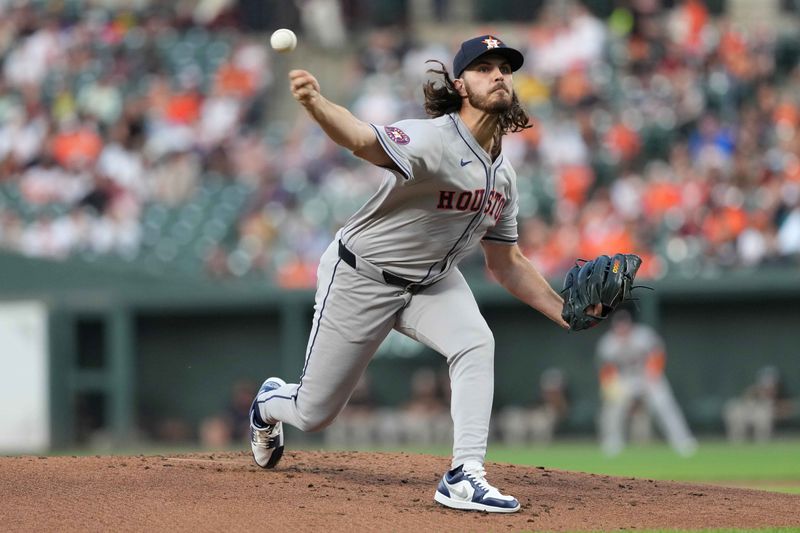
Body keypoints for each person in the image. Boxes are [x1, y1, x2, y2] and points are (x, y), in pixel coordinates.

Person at [248, 35, 600, 514]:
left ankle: (464, 474)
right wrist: (316, 105)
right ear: (460, 84)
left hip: (433, 281)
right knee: (314, 413)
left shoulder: (505, 177)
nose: (498, 74)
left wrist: (566, 313)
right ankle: (270, 403)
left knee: (476, 343)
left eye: (505, 67)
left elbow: (506, 263)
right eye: (484, 67)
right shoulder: (436, 139)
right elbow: (362, 139)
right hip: (363, 276)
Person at [596, 310, 697, 457]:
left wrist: (653, 372)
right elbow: (606, 369)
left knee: (664, 404)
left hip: (647, 375)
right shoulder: (608, 342)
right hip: (625, 379)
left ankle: (682, 440)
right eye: (619, 327)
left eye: (624, 327)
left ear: (630, 325)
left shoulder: (643, 335)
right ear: (614, 328)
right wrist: (610, 386)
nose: (622, 331)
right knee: (613, 407)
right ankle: (612, 442)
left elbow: (658, 354)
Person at [497, 367, 570, 445]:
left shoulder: (565, 400)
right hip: (528, 422)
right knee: (513, 421)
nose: (550, 392)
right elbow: (529, 409)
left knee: (540, 424)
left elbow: (563, 414)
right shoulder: (538, 398)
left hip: (549, 432)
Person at [723, 366, 796, 443]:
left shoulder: (782, 392)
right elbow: (745, 401)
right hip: (750, 415)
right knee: (734, 409)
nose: (768, 386)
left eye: (771, 382)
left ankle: (762, 444)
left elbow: (789, 408)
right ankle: (737, 443)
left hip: (769, 418)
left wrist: (774, 408)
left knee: (763, 414)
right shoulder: (755, 390)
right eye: (765, 382)